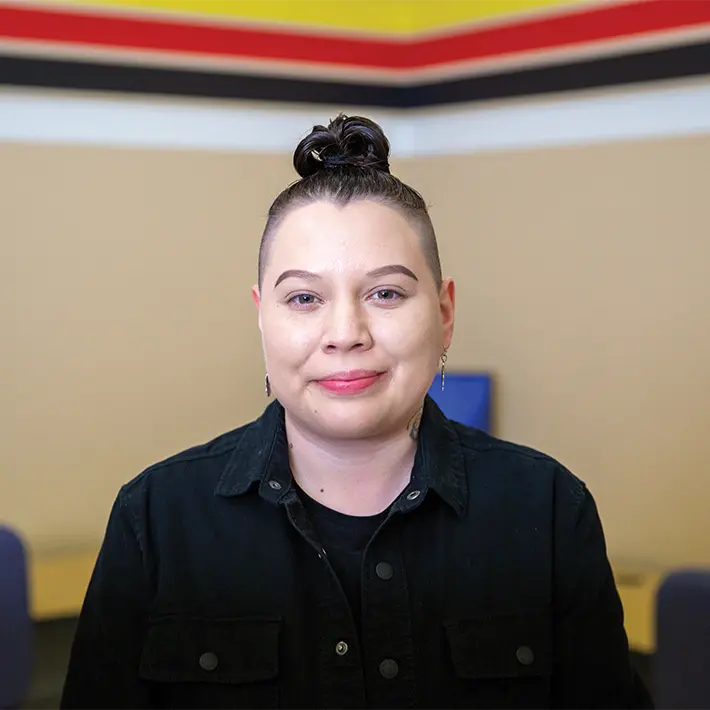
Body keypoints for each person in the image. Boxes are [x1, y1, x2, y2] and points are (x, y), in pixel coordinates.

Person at [60, 114, 654, 709]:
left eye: (386, 293)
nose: (345, 333)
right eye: (304, 298)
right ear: (262, 315)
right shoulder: (155, 519)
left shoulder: (549, 509)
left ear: (445, 312)